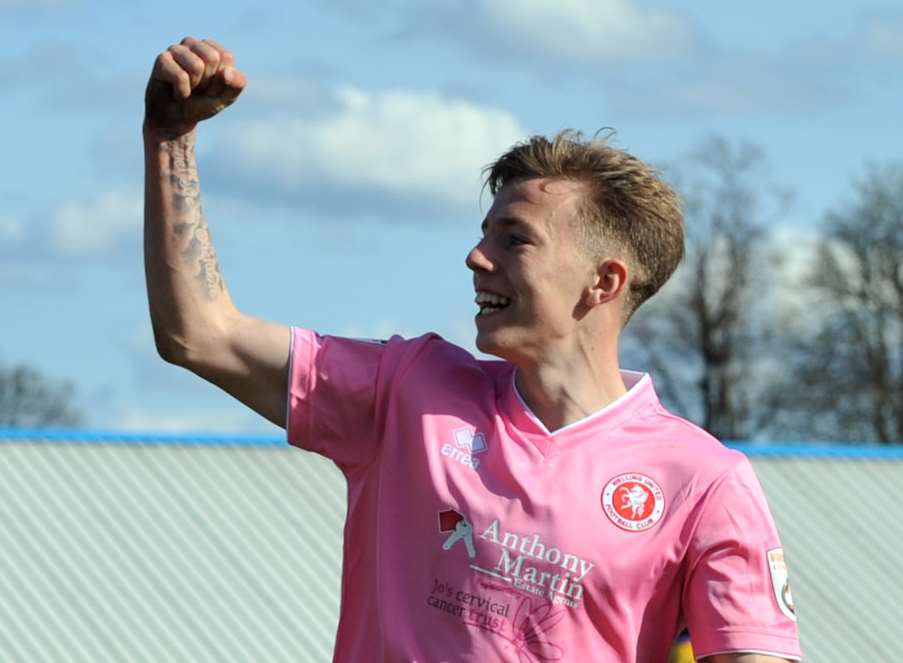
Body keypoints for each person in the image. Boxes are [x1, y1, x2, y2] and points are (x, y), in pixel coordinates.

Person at [144, 36, 802, 663]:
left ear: (603, 281)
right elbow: (199, 333)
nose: (475, 256)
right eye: (484, 232)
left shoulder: (702, 479)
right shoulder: (405, 389)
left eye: (514, 239)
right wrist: (170, 139)